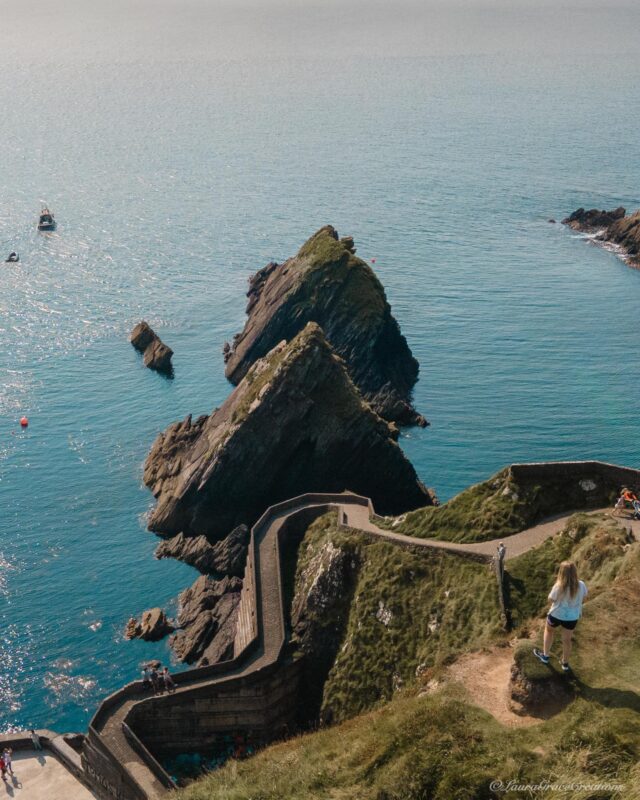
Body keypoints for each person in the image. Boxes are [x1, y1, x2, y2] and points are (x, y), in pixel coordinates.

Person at [534, 561, 588, 672]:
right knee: (567, 640)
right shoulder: (581, 585)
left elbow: (551, 599)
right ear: (575, 572)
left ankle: (545, 656)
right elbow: (584, 598)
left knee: (549, 631)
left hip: (556, 614)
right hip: (572, 617)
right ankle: (565, 663)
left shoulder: (559, 585)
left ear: (561, 572)